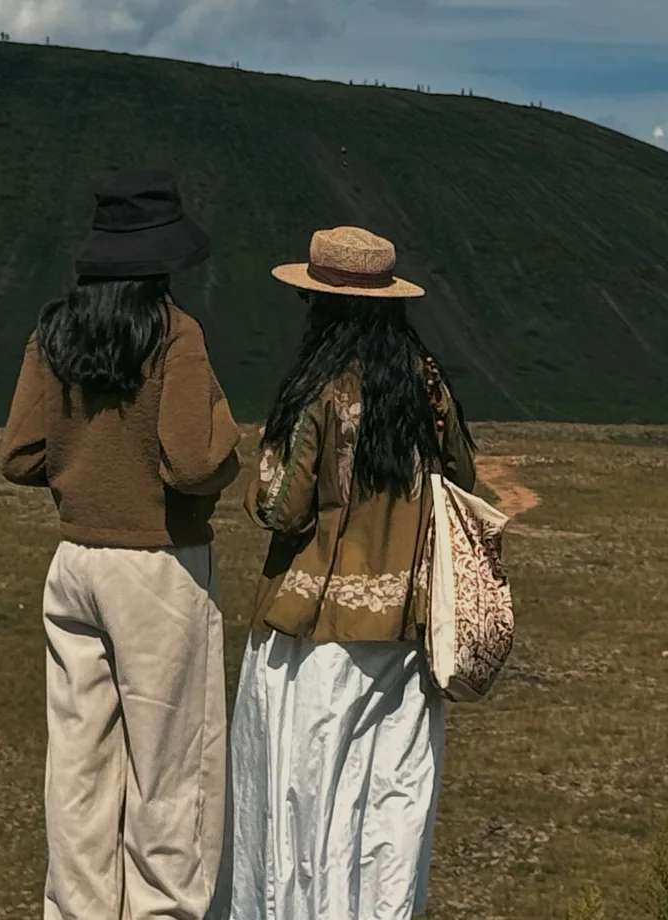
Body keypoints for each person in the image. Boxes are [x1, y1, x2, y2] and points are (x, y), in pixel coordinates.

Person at [0, 169, 242, 920]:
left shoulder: (55, 331)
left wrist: (84, 465)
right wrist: (231, 435)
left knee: (78, 766)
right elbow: (194, 461)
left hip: (73, 563)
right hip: (158, 564)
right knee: (173, 772)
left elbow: (20, 454)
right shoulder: (174, 332)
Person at [227, 226, 477, 920]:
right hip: (408, 632)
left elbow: (279, 508)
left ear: (322, 307)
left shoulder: (321, 389)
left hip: (315, 632)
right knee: (390, 808)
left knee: (300, 806)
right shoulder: (428, 385)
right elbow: (463, 480)